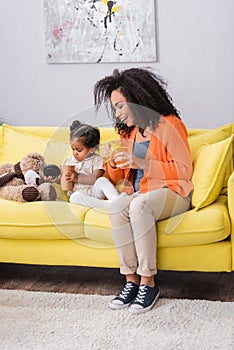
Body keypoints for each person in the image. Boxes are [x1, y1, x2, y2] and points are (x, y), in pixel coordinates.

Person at [93, 67, 193, 314]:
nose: (116, 113)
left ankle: (148, 282)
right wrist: (111, 162)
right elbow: (120, 176)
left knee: (139, 205)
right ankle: (130, 281)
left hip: (174, 191)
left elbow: (184, 171)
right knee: (119, 206)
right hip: (141, 192)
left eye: (119, 105)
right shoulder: (129, 132)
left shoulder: (170, 125)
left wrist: (142, 163)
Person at [62, 120, 122, 207]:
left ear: (92, 149)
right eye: (73, 149)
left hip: (95, 192)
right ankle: (107, 205)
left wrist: (77, 177)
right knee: (74, 198)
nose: (75, 153)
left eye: (79, 150)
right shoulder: (69, 161)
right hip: (81, 195)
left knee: (102, 181)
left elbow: (95, 178)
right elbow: (64, 180)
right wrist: (57, 179)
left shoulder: (97, 159)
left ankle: (117, 200)